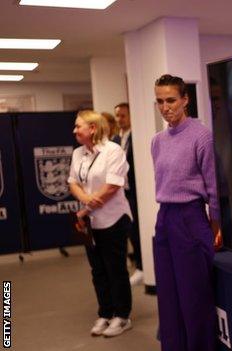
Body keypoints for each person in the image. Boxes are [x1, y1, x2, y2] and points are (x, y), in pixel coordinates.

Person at [151, 74, 222, 350]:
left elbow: (214, 187)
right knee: (168, 300)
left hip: (191, 219)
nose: (165, 107)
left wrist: (215, 227)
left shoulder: (201, 135)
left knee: (194, 302)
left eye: (170, 100)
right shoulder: (157, 141)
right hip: (164, 219)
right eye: (159, 101)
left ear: (185, 99)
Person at [67, 110, 133, 336]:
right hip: (90, 221)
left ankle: (122, 316)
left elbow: (113, 186)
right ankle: (106, 313)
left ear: (92, 128)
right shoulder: (78, 153)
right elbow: (73, 182)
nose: (74, 130)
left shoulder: (113, 151)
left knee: (116, 269)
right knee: (98, 270)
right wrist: (86, 200)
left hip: (114, 218)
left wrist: (86, 207)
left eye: (78, 126)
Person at [112, 102, 143, 285]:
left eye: (123, 115)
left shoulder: (136, 136)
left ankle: (142, 266)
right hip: (120, 193)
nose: (119, 119)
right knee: (127, 230)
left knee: (136, 229)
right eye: (117, 115)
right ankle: (137, 264)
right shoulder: (116, 139)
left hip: (135, 192)